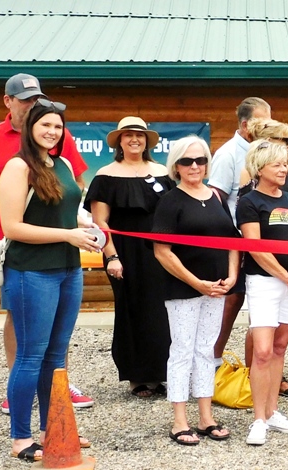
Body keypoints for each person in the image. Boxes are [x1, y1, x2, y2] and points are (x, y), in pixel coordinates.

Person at [0, 73, 93, 414]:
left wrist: (78, 219)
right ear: (8, 101)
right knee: (23, 329)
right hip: (16, 246)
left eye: (36, 100)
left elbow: (74, 185)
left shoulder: (60, 146)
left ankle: (57, 393)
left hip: (63, 250)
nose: (31, 106)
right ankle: (18, 389)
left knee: (55, 338)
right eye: (25, 100)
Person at [0, 99, 102, 461]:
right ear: (29, 127)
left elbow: (63, 211)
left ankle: (51, 429)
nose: (52, 131)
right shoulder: (18, 167)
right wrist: (68, 235)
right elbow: (13, 227)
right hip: (31, 271)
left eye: (58, 126)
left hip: (68, 269)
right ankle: (21, 438)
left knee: (56, 357)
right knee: (30, 355)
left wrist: (82, 224)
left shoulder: (61, 164)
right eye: (45, 124)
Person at [152, 136, 238, 445]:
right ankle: (179, 421)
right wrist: (195, 282)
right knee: (182, 350)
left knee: (206, 349)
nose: (194, 166)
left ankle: (205, 417)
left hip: (215, 288)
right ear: (176, 165)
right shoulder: (170, 200)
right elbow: (162, 251)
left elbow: (231, 240)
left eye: (200, 160)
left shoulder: (215, 196)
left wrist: (232, 276)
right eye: (187, 161)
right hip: (182, 288)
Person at [85, 117, 174, 397]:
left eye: (140, 135)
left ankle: (160, 373)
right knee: (132, 309)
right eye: (128, 135)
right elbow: (101, 222)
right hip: (123, 252)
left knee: (161, 311)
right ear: (119, 141)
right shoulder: (105, 176)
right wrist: (112, 257)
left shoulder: (162, 172)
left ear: (147, 141)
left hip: (160, 251)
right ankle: (137, 377)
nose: (134, 139)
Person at [237, 140, 288, 445]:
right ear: (260, 168)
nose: (283, 169)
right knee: (263, 351)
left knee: (280, 346)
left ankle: (272, 412)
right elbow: (255, 247)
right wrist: (286, 276)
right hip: (265, 283)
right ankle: (258, 419)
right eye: (276, 164)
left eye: (284, 163)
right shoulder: (249, 201)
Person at [209, 97, 271, 374]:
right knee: (232, 299)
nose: (268, 128)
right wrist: (233, 238)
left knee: (262, 306)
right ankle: (212, 360)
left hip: (268, 240)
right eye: (262, 123)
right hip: (238, 240)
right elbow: (217, 198)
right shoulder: (228, 154)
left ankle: (260, 369)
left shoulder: (268, 151)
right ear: (246, 125)